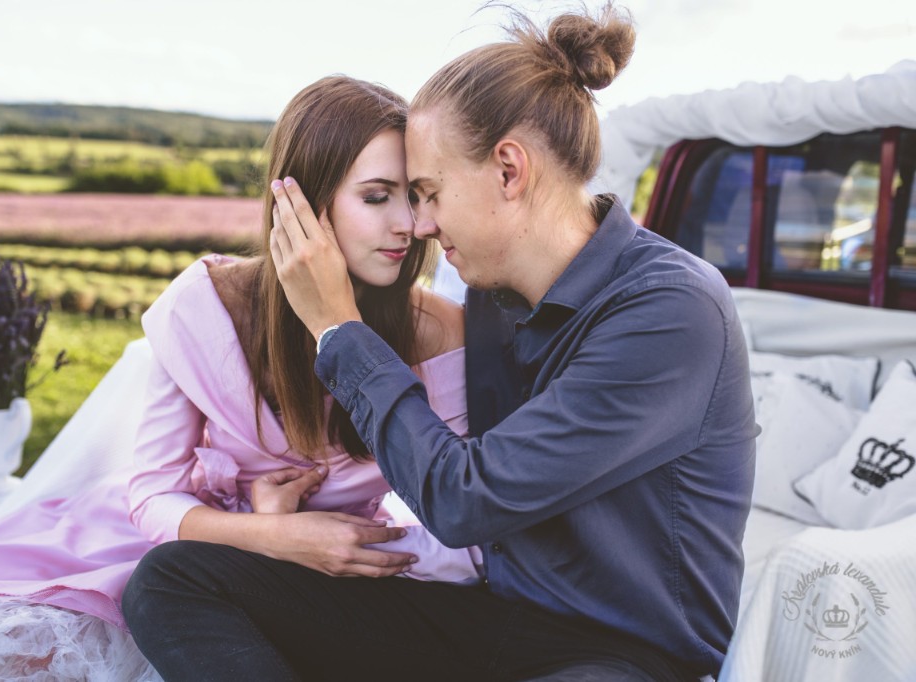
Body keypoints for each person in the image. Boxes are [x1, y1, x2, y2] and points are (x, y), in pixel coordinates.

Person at [123, 4, 757, 682]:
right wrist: (278, 534)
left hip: (618, 650)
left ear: (509, 170)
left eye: (427, 193)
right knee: (172, 580)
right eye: (393, 197)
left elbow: (464, 499)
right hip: (490, 618)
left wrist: (340, 329)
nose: (418, 224)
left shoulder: (669, 310)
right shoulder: (492, 299)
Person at [0, 75, 479, 681]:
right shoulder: (209, 304)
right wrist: (273, 536)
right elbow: (152, 495)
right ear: (301, 206)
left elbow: (462, 523)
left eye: (413, 196)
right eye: (376, 197)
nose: (408, 226)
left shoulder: (438, 332)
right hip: (168, 543)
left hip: (323, 574)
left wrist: (322, 549)